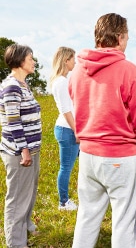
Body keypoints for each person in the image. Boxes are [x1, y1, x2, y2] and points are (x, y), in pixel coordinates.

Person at [69, 13, 136, 248]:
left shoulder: (77, 71)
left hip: (87, 154)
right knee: (124, 220)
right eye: (126, 36)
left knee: (86, 216)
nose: (127, 41)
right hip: (121, 155)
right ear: (119, 37)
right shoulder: (128, 69)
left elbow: (78, 108)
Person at [0, 44, 42, 248]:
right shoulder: (11, 86)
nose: (33, 62)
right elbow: (13, 121)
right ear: (19, 61)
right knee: (17, 198)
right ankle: (16, 243)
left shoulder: (24, 85)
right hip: (19, 152)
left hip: (32, 149)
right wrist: (24, 149)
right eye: (30, 58)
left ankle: (24, 224)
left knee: (30, 191)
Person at [51, 46, 80, 211]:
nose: (74, 62)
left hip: (69, 128)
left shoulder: (63, 80)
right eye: (72, 59)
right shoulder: (61, 82)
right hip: (67, 129)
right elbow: (66, 110)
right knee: (66, 167)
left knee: (75, 164)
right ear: (65, 60)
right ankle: (63, 202)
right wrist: (76, 130)